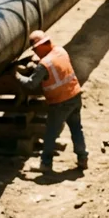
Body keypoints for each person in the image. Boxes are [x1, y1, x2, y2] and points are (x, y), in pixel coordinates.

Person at [16, 30, 88, 172]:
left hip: (60, 102)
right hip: (75, 95)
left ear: (41, 46)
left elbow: (31, 84)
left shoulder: (44, 64)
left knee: (50, 133)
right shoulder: (60, 51)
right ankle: (82, 158)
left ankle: (45, 163)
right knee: (76, 128)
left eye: (35, 49)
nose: (35, 52)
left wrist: (16, 76)